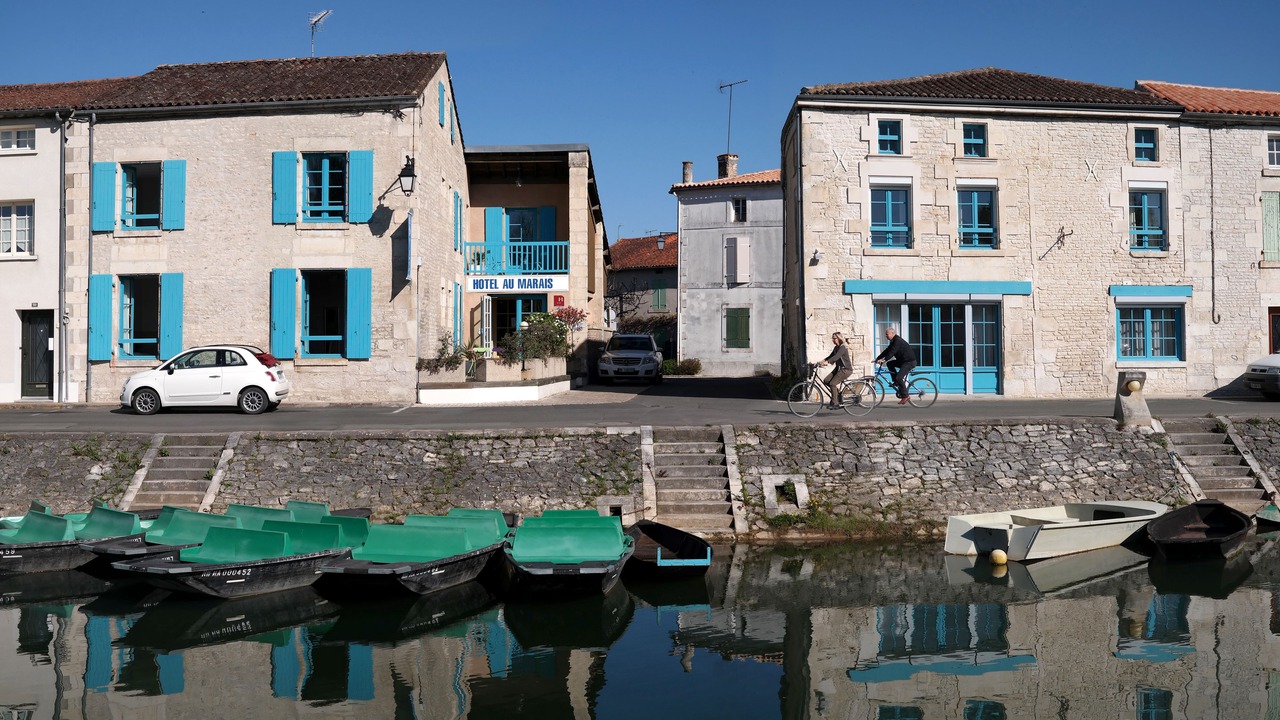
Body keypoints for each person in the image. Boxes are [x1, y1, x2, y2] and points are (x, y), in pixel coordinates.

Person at [874, 325, 917, 405]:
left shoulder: (898, 341)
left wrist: (884, 359)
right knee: (890, 364)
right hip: (903, 361)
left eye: (887, 334)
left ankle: (905, 396)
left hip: (909, 362)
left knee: (899, 377)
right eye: (885, 334)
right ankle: (896, 382)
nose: (886, 336)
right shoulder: (893, 341)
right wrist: (877, 358)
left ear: (892, 333)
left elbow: (892, 352)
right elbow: (887, 351)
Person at [817, 332, 852, 409]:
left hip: (846, 369)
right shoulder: (836, 348)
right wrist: (821, 361)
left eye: (834, 338)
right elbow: (831, 356)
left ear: (839, 338)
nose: (833, 340)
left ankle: (835, 402)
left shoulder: (843, 347)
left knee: (832, 384)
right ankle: (837, 396)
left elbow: (836, 357)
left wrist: (828, 362)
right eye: (832, 338)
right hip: (839, 369)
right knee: (826, 380)